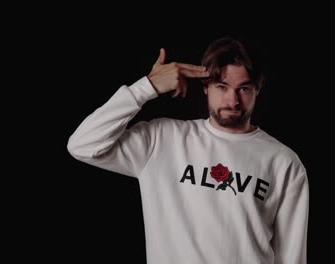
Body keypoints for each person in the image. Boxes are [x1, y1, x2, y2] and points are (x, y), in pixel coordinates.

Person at [67, 37, 309, 264]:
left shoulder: (283, 161)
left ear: (258, 89)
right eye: (222, 86)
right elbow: (83, 145)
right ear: (206, 87)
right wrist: (146, 87)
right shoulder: (162, 140)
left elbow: (292, 256)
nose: (232, 101)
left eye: (243, 89)